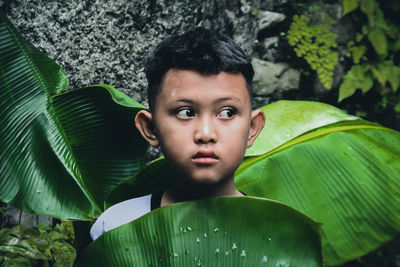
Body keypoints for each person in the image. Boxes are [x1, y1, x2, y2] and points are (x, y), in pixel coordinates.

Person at [90, 27, 265, 241]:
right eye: (185, 112)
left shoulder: (279, 233)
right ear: (150, 128)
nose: (205, 134)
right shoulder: (116, 228)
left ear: (253, 128)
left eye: (227, 112)